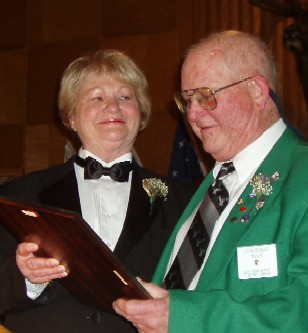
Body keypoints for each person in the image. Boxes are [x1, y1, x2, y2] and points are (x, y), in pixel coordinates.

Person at [113, 30, 308, 332]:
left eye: (205, 96)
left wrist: (187, 317)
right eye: (186, 100)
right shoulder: (201, 195)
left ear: (257, 91)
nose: (193, 114)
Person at [0, 49, 194, 332]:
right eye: (97, 97)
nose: (113, 107)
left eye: (125, 97)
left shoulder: (184, 200)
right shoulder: (17, 195)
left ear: (140, 114)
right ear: (71, 117)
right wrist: (26, 278)